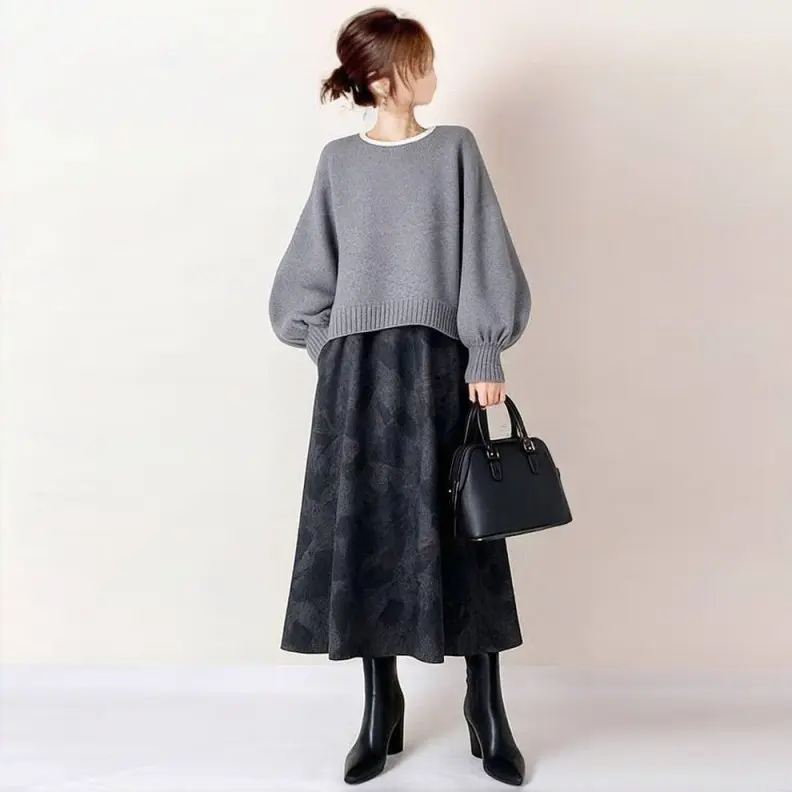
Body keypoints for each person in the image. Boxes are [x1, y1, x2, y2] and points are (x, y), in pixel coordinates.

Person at [267, 7, 532, 786]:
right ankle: (379, 705)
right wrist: (327, 344)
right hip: (357, 379)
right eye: (422, 61)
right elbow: (300, 284)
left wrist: (485, 348)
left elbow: (486, 252)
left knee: (466, 532)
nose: (434, 72)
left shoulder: (455, 150)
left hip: (442, 367)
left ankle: (486, 704)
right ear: (383, 78)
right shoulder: (339, 164)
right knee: (369, 534)